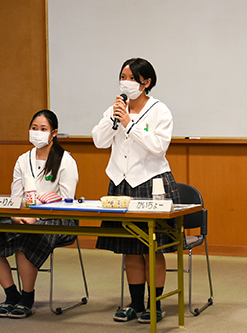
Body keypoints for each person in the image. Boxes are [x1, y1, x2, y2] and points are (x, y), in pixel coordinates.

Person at [91, 58, 180, 324]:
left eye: (130, 77)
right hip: (121, 183)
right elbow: (99, 141)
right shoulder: (115, 108)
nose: (125, 81)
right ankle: (136, 303)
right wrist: (114, 117)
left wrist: (130, 123)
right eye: (122, 76)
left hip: (151, 183)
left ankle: (155, 304)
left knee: (152, 247)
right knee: (130, 248)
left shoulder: (160, 110)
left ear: (146, 82)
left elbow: (157, 147)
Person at [0, 110, 79, 319]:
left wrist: (38, 218)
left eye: (43, 129)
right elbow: (16, 196)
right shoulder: (23, 159)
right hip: (23, 215)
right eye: (34, 128)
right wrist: (16, 216)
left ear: (54, 133)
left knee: (25, 240)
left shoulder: (66, 160)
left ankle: (27, 298)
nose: (37, 133)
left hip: (57, 219)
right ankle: (11, 294)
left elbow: (68, 201)